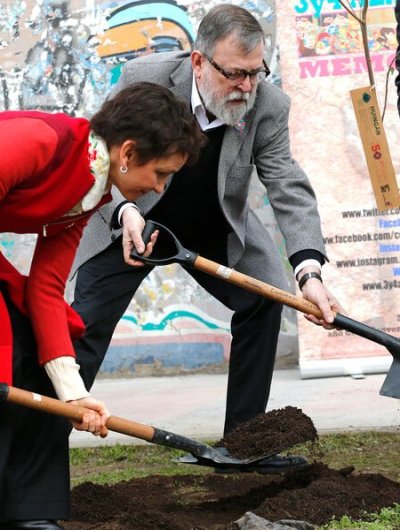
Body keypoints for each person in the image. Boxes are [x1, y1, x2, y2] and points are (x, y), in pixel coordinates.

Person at [72, 4, 343, 475]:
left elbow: (287, 184)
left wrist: (310, 269)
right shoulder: (148, 76)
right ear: (199, 62)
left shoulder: (268, 104)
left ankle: (243, 446)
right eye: (235, 74)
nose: (246, 87)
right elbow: (102, 152)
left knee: (264, 298)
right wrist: (126, 210)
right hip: (137, 217)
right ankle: (36, 450)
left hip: (216, 225)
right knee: (83, 326)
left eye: (255, 73)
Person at [0, 82, 204, 530]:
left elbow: (47, 290)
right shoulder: (38, 142)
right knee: (3, 349)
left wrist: (75, 396)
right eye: (161, 174)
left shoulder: (87, 193)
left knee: (38, 353)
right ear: (128, 153)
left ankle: (30, 514)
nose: (159, 188)